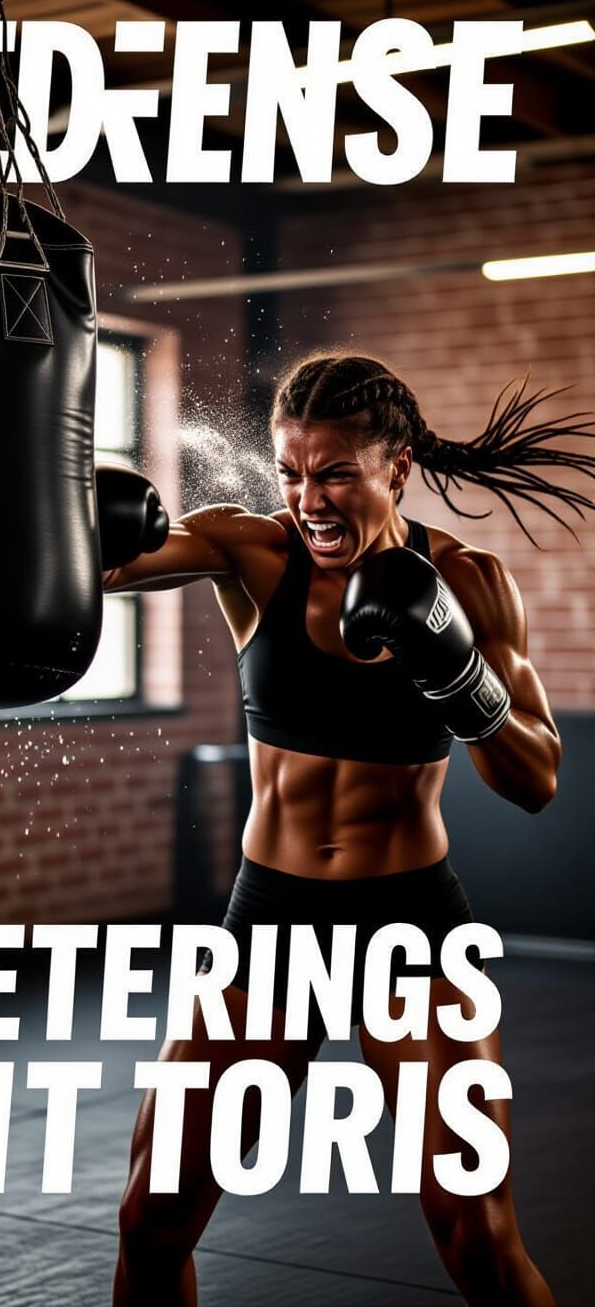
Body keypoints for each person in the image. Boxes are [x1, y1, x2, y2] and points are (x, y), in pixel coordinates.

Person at [105, 353, 595, 1307]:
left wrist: (453, 670)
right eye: (290, 472)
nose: (308, 498)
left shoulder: (470, 582)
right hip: (269, 924)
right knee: (152, 1218)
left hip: (409, 926)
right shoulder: (255, 551)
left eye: (334, 472)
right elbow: (113, 568)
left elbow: (535, 778)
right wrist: (63, 512)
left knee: (478, 1236)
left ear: (397, 466)